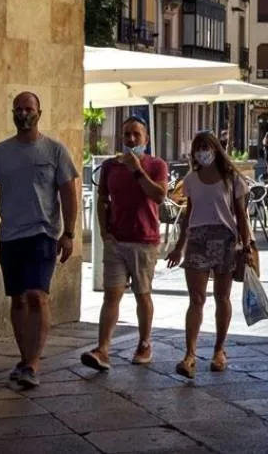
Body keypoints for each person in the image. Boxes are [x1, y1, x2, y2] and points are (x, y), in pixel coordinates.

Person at [0, 92, 78, 389]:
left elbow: (69, 194)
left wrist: (69, 234)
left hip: (43, 234)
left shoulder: (55, 150)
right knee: (17, 299)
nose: (23, 113)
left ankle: (33, 363)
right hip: (10, 236)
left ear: (39, 113)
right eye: (18, 109)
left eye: (28, 108)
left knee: (36, 295)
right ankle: (24, 358)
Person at [81, 117, 168, 372]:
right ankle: (103, 349)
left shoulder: (156, 165)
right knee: (111, 295)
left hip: (144, 240)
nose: (131, 139)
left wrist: (137, 169)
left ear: (146, 139)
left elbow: (159, 195)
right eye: (127, 134)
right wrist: (104, 230)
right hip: (117, 241)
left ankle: (144, 344)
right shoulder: (110, 166)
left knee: (142, 294)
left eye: (136, 135)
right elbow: (102, 198)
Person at [166, 132, 252, 379]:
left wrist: (246, 246)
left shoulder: (231, 178)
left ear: (215, 149)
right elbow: (188, 214)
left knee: (222, 297)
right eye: (198, 148)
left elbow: (241, 214)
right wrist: (179, 246)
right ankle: (189, 355)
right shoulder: (191, 179)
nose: (202, 152)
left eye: (206, 147)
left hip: (225, 240)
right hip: (197, 240)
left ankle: (219, 350)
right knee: (196, 299)